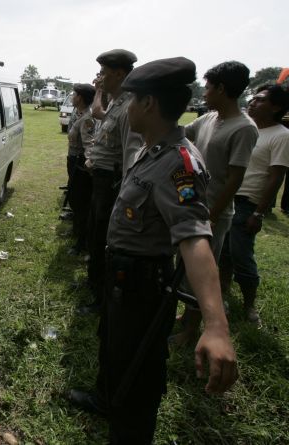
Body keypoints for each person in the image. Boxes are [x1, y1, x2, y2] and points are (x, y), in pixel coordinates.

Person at [67, 56, 238, 444]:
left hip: (142, 286)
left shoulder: (179, 164)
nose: (125, 108)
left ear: (147, 104)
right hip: (121, 276)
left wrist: (215, 324)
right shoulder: (153, 149)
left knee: (138, 374)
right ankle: (107, 399)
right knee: (113, 348)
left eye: (132, 99)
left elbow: (195, 239)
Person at [172, 61, 258, 345]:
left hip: (212, 214)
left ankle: (190, 331)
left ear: (222, 88)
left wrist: (212, 213)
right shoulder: (210, 118)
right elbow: (183, 133)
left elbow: (235, 177)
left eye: (208, 88)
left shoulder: (244, 128)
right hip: (190, 205)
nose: (205, 93)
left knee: (201, 273)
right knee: (183, 265)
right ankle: (186, 316)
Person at [79, 49, 143, 314]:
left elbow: (130, 155)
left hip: (113, 184)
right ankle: (94, 284)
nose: (100, 78)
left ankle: (102, 299)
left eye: (104, 73)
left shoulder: (129, 107)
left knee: (105, 239)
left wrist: (124, 194)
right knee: (95, 234)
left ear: (119, 73)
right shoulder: (116, 103)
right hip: (101, 182)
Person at [220, 84, 289, 323]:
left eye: (260, 100)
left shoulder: (281, 135)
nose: (252, 102)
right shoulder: (246, 129)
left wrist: (259, 213)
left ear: (277, 107)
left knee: (241, 256)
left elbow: (276, 176)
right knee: (223, 253)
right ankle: (223, 295)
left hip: (247, 203)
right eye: (253, 98)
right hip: (227, 197)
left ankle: (250, 307)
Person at [66, 83, 96, 254]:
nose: (72, 96)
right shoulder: (78, 114)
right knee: (74, 199)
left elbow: (89, 145)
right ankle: (77, 233)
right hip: (73, 160)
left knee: (81, 202)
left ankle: (82, 243)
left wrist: (88, 166)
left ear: (81, 97)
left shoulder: (87, 118)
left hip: (80, 163)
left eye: (75, 94)